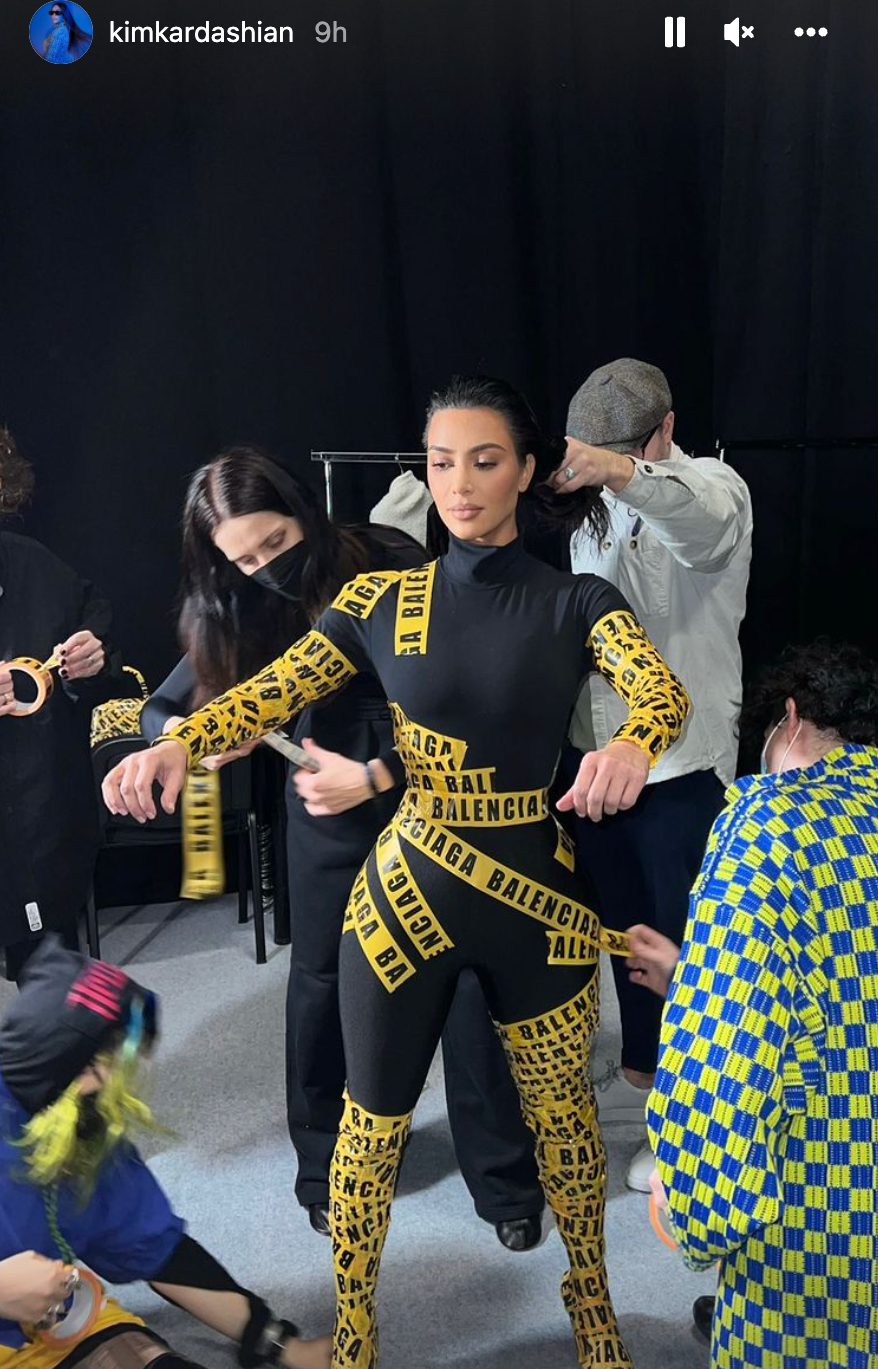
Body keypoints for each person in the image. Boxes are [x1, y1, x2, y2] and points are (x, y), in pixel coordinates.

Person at [103, 376, 690, 1369]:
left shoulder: (576, 601)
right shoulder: (378, 599)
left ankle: (593, 1309)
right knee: (367, 1129)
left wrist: (634, 740)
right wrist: (180, 742)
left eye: (484, 460)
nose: (458, 484)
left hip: (535, 900)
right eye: (439, 462)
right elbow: (270, 692)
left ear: (527, 471)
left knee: (566, 1128)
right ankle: (359, 1328)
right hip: (404, 888)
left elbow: (656, 690)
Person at [138, 446, 545, 1250]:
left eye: (274, 546)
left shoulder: (391, 560)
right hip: (320, 807)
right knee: (322, 982)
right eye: (242, 559)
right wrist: (191, 740)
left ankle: (504, 1182)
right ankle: (325, 1169)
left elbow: (473, 695)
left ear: (304, 516)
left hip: (428, 795)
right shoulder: (232, 601)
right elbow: (165, 706)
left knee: (464, 983)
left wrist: (377, 774)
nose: (263, 569)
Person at [627, 641, 878, 1369]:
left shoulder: (769, 824)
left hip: (830, 1219)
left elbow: (727, 1056)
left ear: (789, 722)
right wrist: (699, 971)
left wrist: (695, 1199)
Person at [551, 357, 752, 1193]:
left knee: (683, 947)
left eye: (618, 451)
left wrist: (621, 470)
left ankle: (690, 1132)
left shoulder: (714, 485)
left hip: (681, 769)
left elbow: (694, 525)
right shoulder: (586, 519)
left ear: (663, 428)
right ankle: (642, 1072)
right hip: (595, 765)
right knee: (621, 934)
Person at [0, 936, 332, 1369]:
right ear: (82, 1069)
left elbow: (158, 1251)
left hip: (56, 1323)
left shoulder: (80, 1131)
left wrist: (284, 1346)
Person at [0, 427, 121, 983]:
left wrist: (90, 661)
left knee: (48, 967)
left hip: (36, 808)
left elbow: (94, 626)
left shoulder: (31, 564)